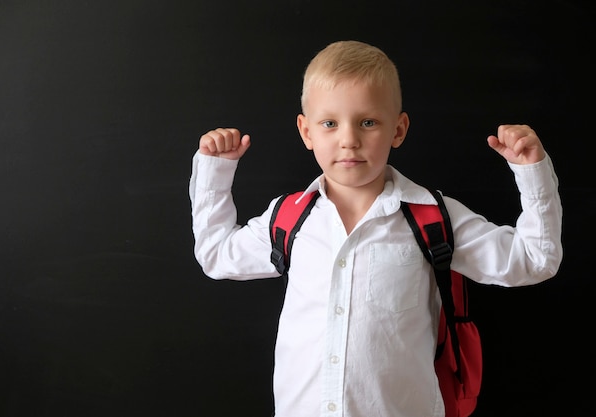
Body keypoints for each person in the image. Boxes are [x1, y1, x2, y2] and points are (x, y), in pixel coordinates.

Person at [188, 40, 563, 417]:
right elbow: (217, 255)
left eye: (368, 122)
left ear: (398, 129)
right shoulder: (287, 218)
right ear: (306, 132)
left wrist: (531, 172)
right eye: (329, 123)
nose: (348, 139)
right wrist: (214, 172)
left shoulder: (431, 217)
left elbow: (534, 260)